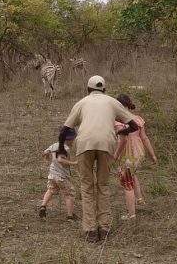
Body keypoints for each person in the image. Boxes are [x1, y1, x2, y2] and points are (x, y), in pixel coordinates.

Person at [58, 75, 140, 243]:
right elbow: (134, 125)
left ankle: (90, 231)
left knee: (87, 187)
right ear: (104, 89)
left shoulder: (81, 103)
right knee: (103, 186)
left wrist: (61, 150)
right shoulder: (112, 102)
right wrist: (120, 132)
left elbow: (64, 130)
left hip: (84, 145)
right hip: (106, 145)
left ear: (88, 90)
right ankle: (104, 228)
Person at [114, 93, 157, 221]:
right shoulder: (138, 119)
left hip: (127, 155)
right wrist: (153, 155)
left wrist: (115, 155)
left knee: (127, 184)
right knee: (132, 175)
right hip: (139, 154)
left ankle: (131, 214)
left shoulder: (118, 122)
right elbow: (145, 138)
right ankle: (139, 199)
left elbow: (123, 141)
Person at [39, 128, 78, 221]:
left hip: (52, 174)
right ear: (69, 139)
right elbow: (60, 159)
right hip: (62, 177)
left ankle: (43, 206)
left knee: (50, 190)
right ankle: (70, 216)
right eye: (73, 139)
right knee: (69, 194)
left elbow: (44, 153)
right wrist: (74, 163)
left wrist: (47, 157)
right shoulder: (66, 148)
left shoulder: (54, 145)